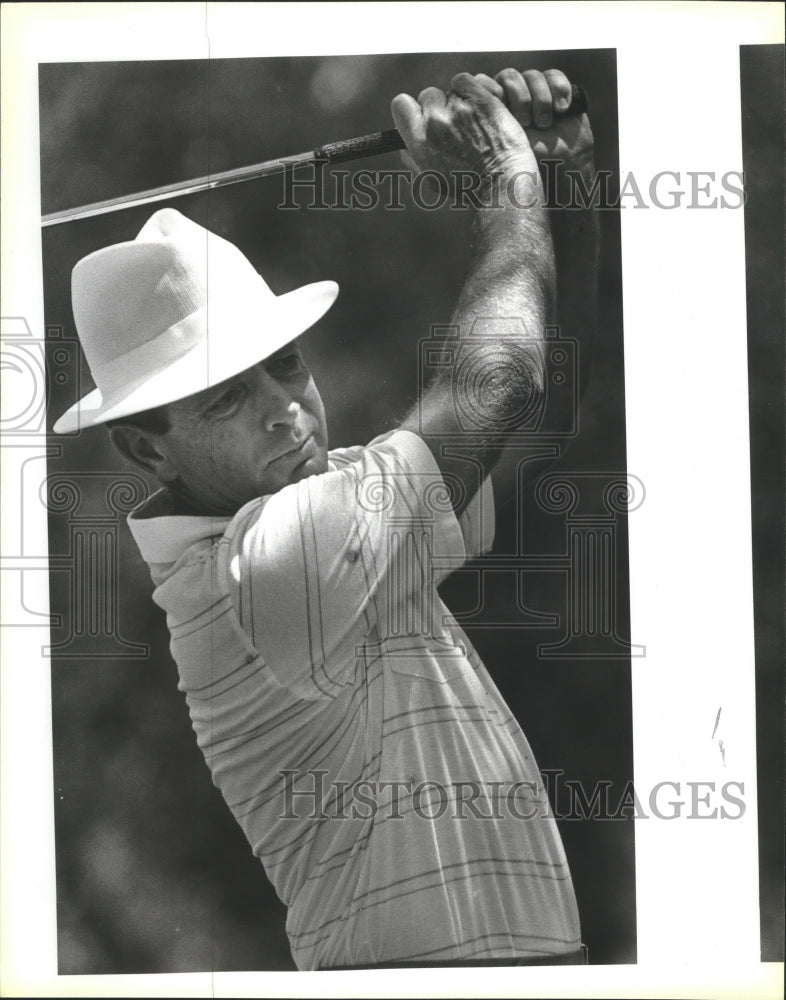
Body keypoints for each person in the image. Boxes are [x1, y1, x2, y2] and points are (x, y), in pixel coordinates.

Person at [53, 67, 599, 970]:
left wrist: (560, 181)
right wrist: (505, 176)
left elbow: (543, 404)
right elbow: (500, 383)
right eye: (228, 399)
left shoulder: (321, 510)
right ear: (147, 452)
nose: (288, 409)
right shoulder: (266, 567)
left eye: (289, 366)